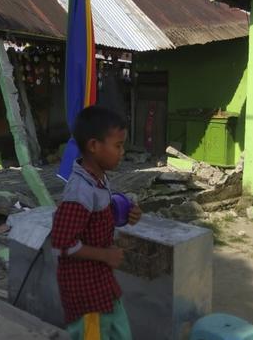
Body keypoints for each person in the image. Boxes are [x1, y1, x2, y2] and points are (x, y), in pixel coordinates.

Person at [51, 105, 142, 340]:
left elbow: (100, 215)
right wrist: (106, 255)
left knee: (119, 331)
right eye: (118, 146)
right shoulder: (79, 191)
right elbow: (61, 244)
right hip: (85, 292)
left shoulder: (99, 179)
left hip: (102, 285)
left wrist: (127, 214)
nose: (122, 152)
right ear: (94, 146)